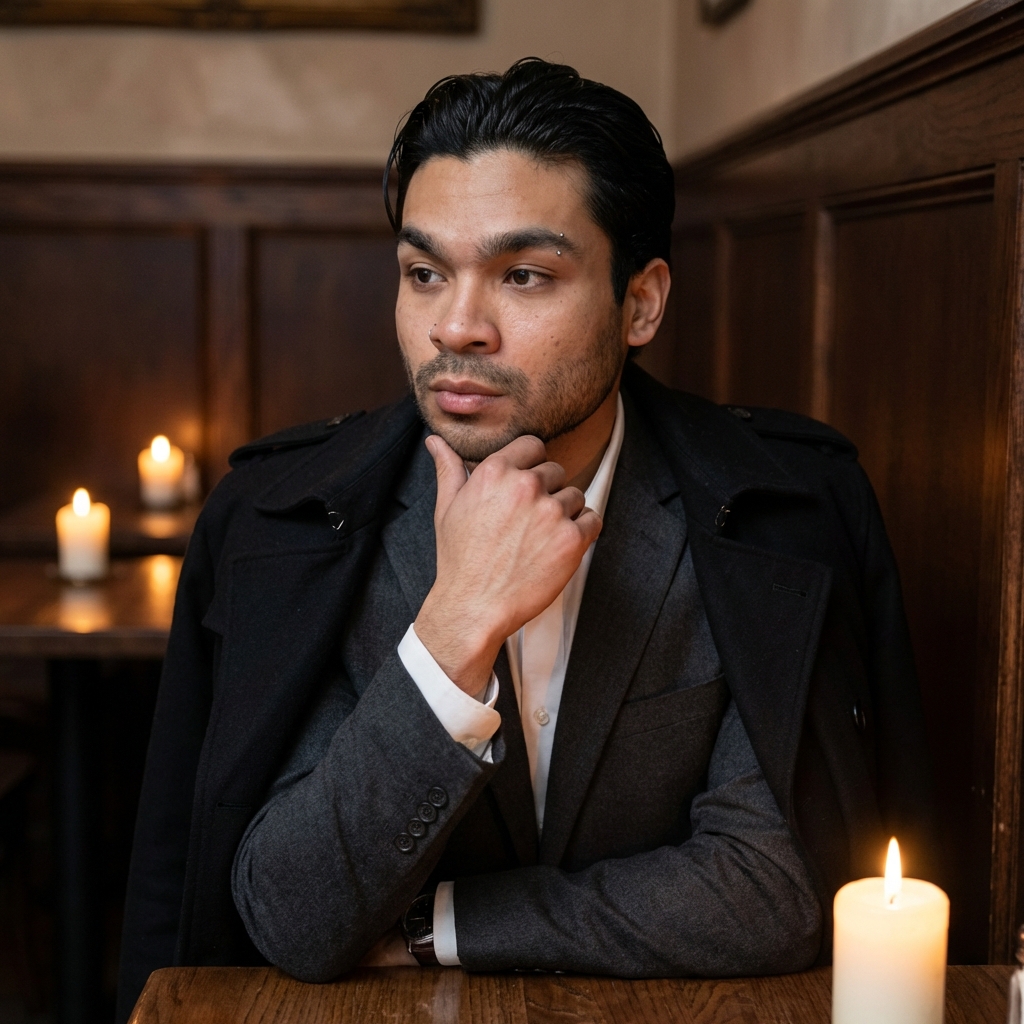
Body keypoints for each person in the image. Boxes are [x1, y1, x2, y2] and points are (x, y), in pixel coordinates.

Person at [116, 57, 935, 1021]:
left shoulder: (782, 511)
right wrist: (455, 626)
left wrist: (440, 927)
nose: (456, 327)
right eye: (425, 274)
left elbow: (775, 887)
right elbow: (290, 912)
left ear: (641, 304)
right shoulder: (285, 523)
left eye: (524, 276)